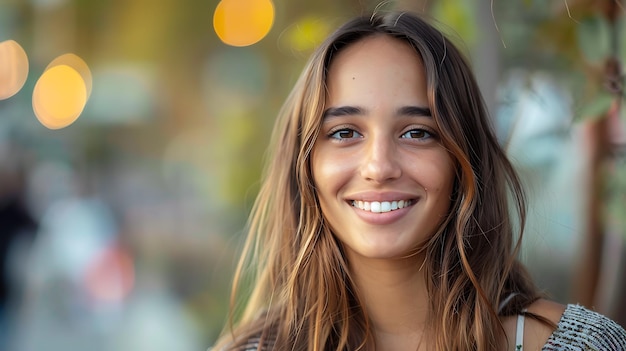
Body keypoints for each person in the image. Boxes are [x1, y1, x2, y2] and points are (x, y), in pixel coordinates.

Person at [212, 10, 626, 351]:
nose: (379, 166)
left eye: (417, 132)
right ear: (306, 167)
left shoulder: (580, 345)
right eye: (344, 133)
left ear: (464, 161)